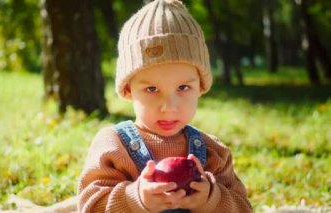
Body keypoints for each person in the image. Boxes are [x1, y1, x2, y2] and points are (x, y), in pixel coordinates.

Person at [77, 0, 252, 212]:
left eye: (183, 87)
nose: (169, 107)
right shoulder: (114, 147)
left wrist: (211, 199)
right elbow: (90, 206)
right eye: (151, 89)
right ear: (128, 90)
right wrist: (135, 199)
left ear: (201, 87)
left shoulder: (212, 152)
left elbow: (243, 207)